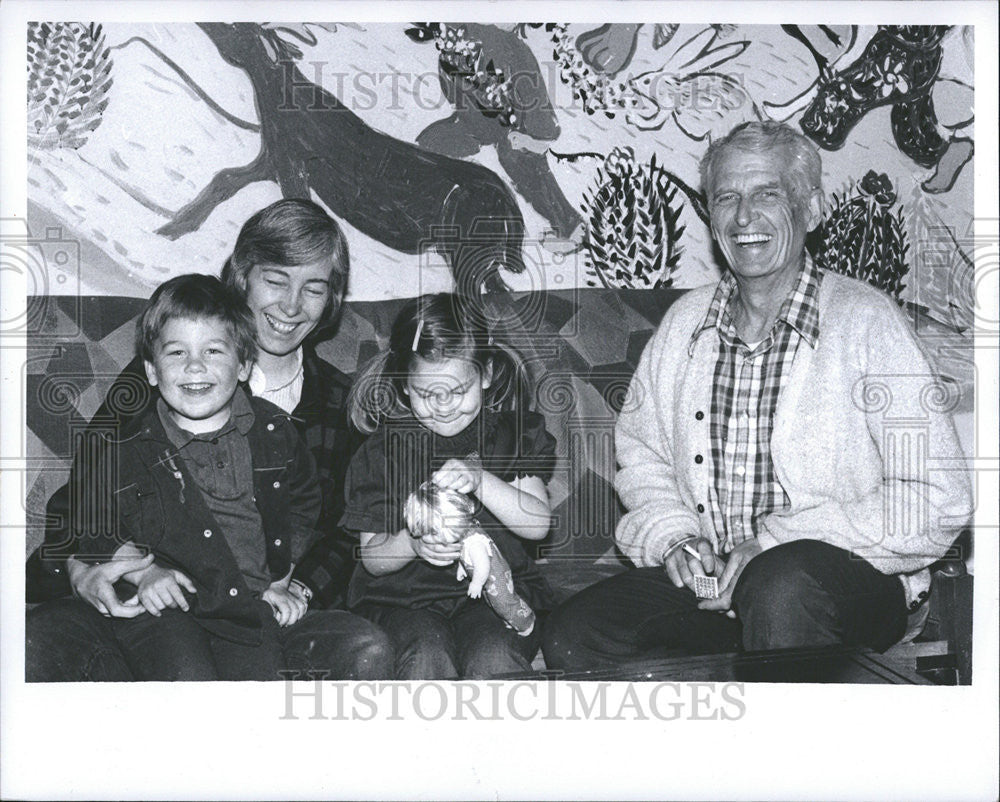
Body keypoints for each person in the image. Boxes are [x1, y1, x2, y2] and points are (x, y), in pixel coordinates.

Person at [542, 121, 973, 672]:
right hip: (718, 579)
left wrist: (773, 542)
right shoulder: (684, 325)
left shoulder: (867, 323)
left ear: (811, 209)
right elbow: (641, 455)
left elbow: (938, 498)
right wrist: (675, 537)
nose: (744, 217)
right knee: (578, 635)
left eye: (767, 193)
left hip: (850, 586)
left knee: (780, 588)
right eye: (727, 197)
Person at [26, 198, 391, 681]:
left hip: (263, 607)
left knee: (365, 647)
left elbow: (344, 532)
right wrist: (83, 570)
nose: (290, 305)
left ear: (332, 300)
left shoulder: (341, 405)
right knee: (38, 643)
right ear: (242, 277)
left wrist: (298, 590)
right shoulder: (164, 375)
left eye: (313, 289)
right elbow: (90, 487)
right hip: (151, 594)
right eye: (276, 280)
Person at [341, 293, 556, 679]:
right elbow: (372, 559)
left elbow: (538, 524)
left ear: (486, 374)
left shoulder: (512, 436)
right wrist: (412, 542)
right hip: (406, 603)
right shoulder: (381, 453)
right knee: (425, 656)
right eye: (426, 393)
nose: (443, 405)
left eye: (457, 391)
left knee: (493, 659)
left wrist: (481, 479)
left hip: (496, 601)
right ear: (404, 384)